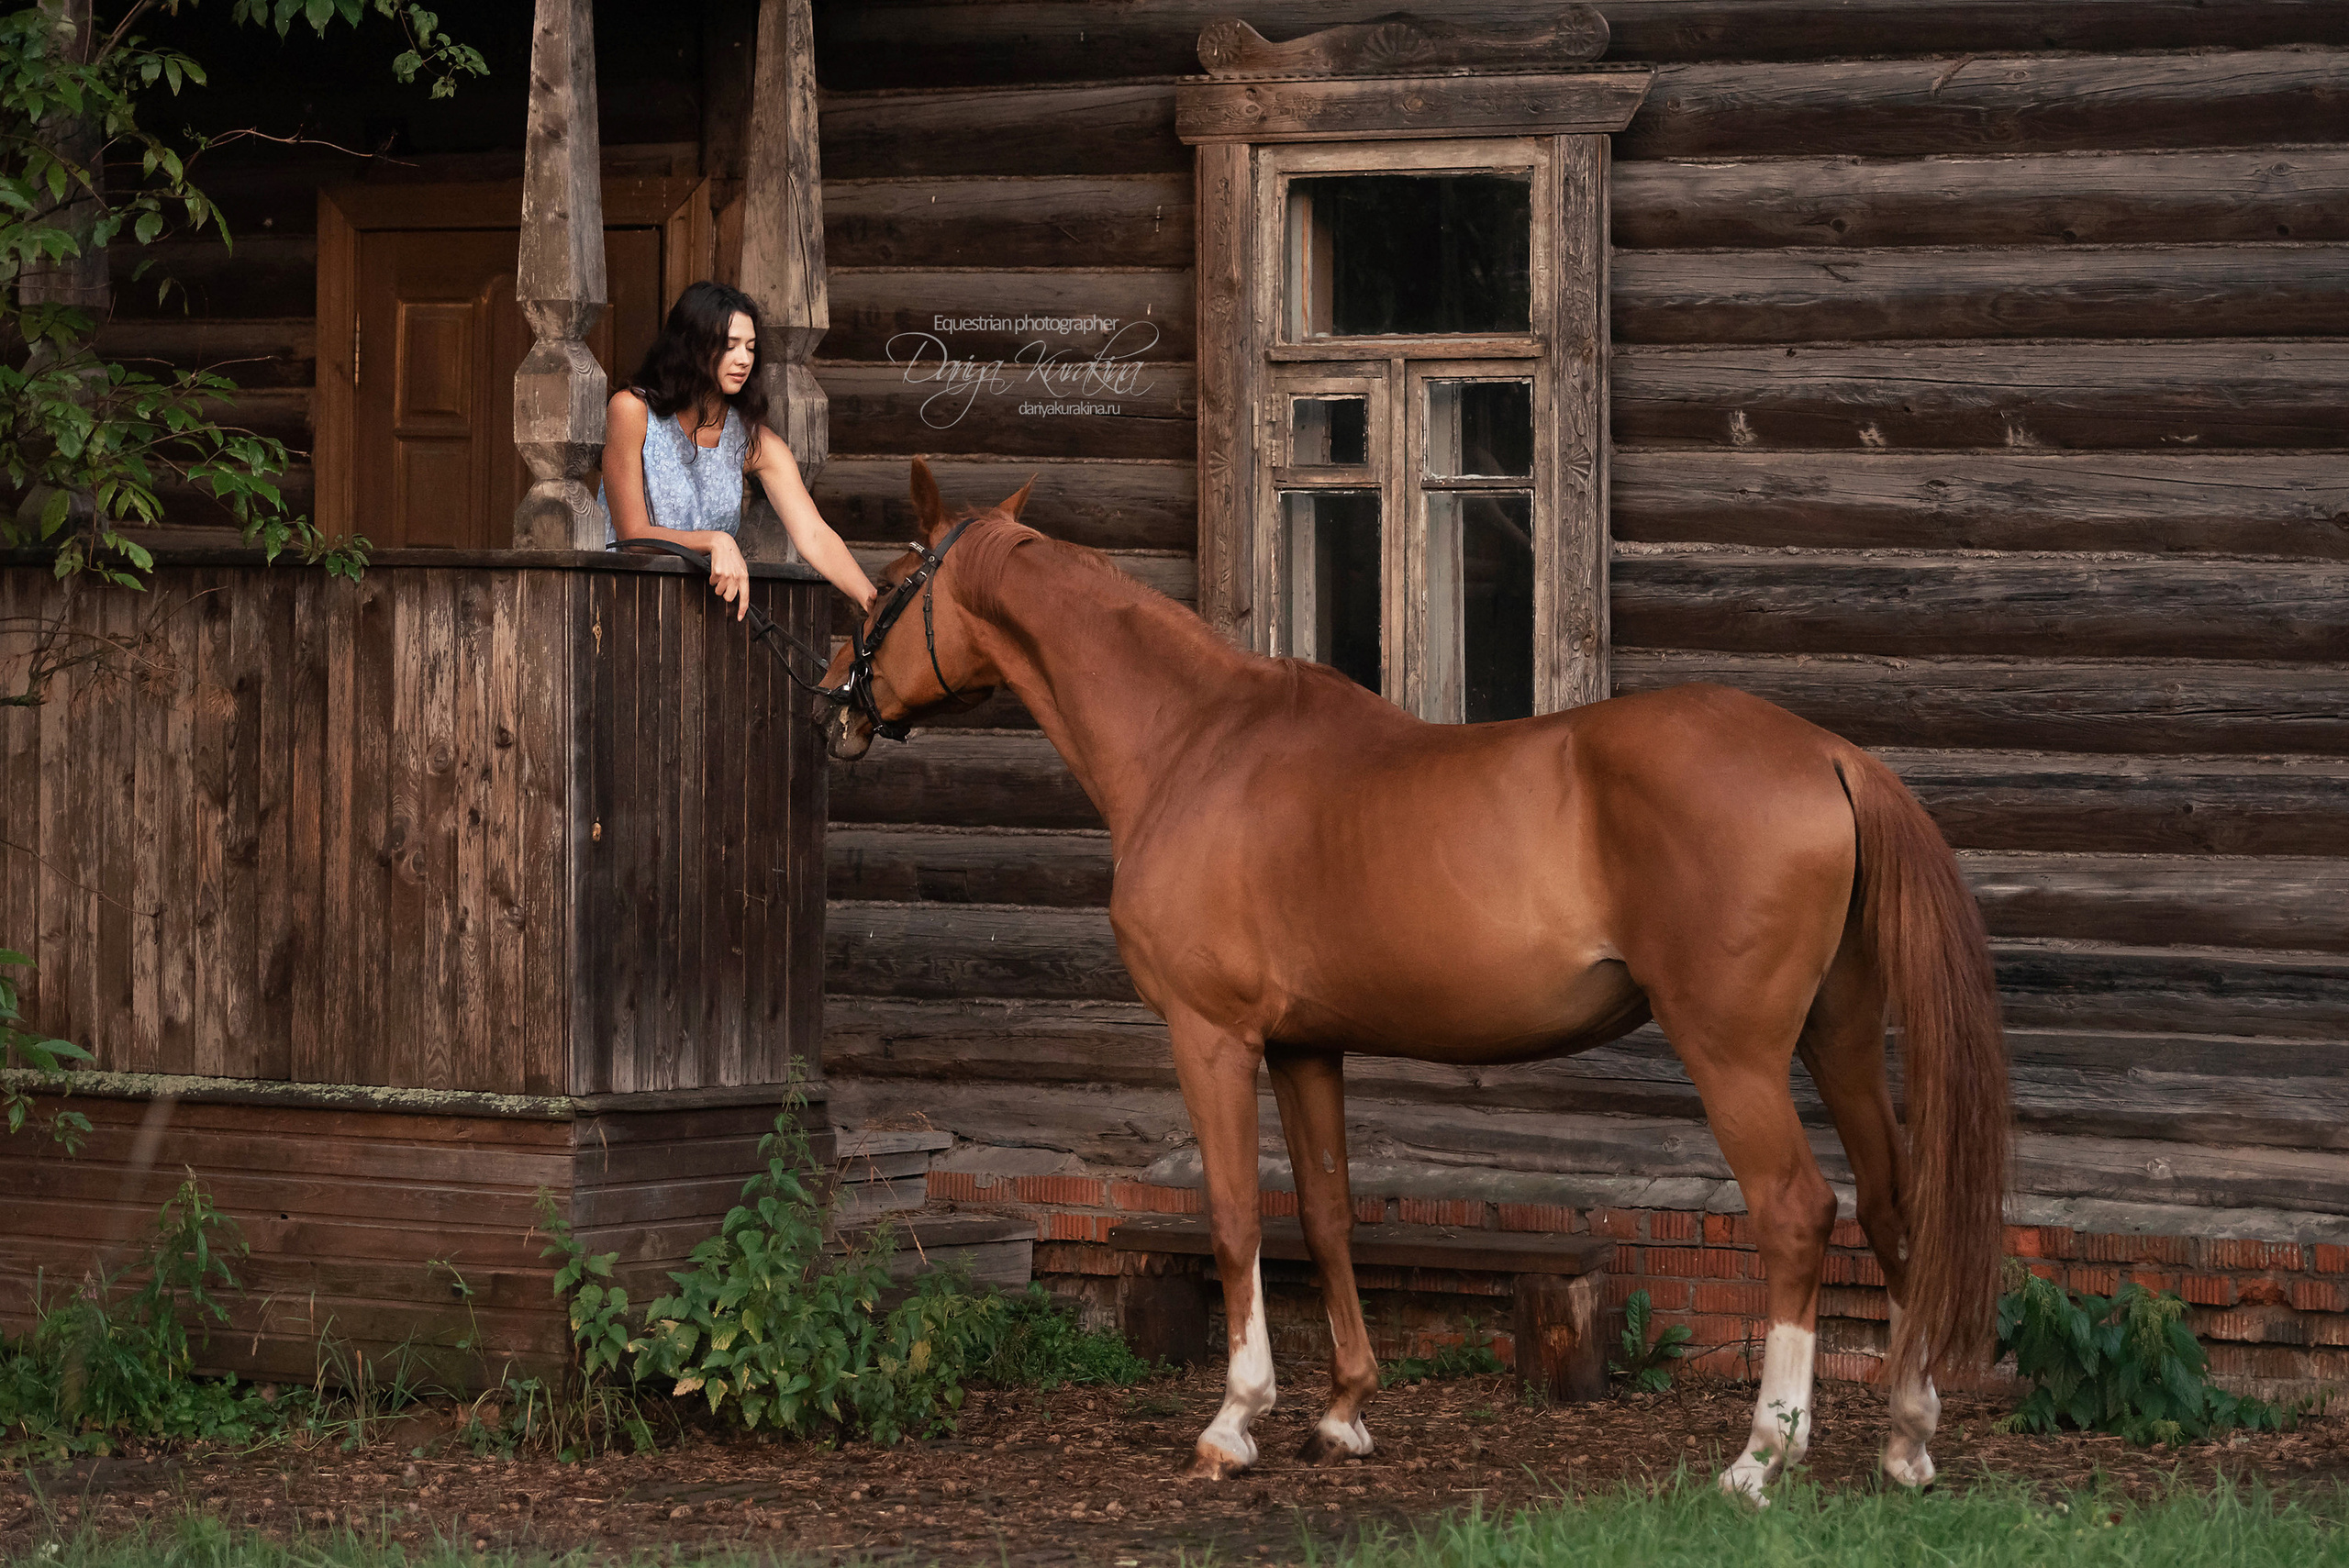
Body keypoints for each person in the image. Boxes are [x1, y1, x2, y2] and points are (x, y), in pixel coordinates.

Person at [601, 280, 877, 620]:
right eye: (729, 346)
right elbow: (633, 535)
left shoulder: (754, 441)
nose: (744, 360)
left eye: (750, 347)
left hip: (705, 615)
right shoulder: (632, 411)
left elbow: (814, 535)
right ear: (692, 346)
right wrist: (715, 540)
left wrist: (873, 602)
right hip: (624, 607)